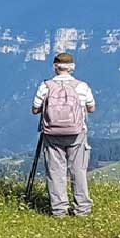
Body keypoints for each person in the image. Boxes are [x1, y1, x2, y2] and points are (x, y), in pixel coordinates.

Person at [31, 51, 97, 217]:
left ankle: (59, 210)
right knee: (78, 170)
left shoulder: (45, 86)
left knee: (55, 171)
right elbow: (92, 108)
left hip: (52, 134)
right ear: (72, 67)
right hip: (76, 133)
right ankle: (82, 209)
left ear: (55, 67)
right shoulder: (82, 86)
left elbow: (35, 109)